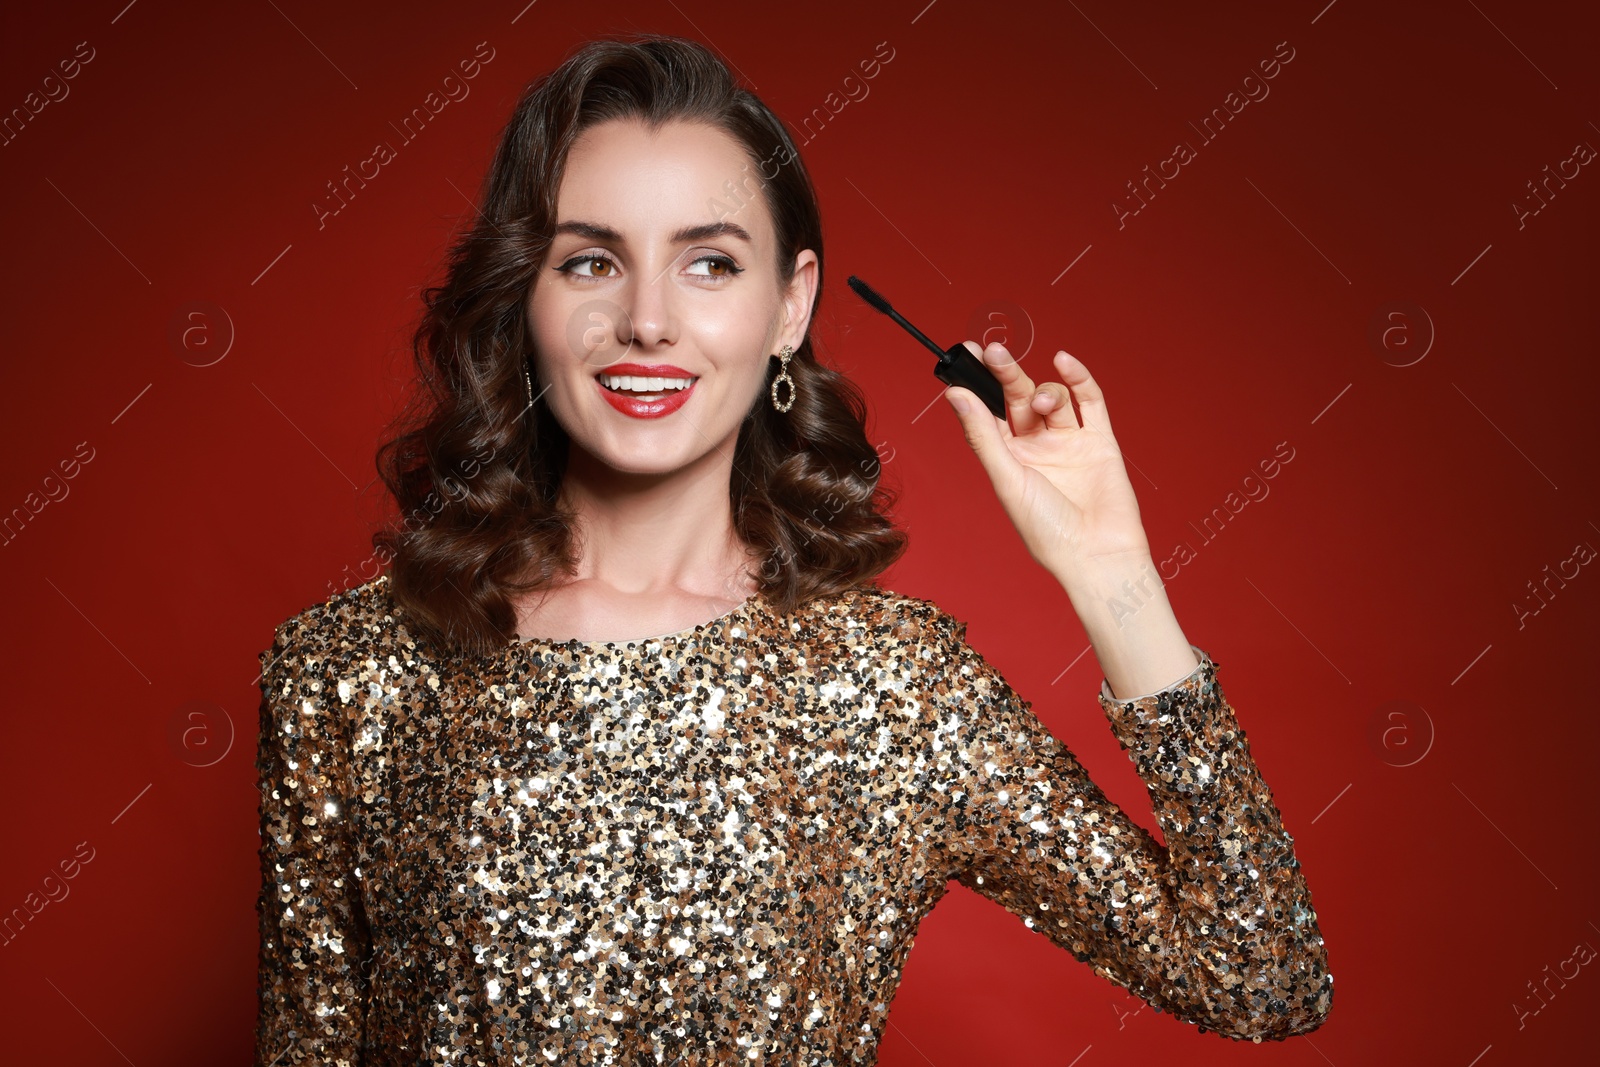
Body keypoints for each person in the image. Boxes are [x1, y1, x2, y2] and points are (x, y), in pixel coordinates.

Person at [253, 34, 1332, 1066]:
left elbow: (1258, 975)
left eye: (709, 264)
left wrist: (1113, 576)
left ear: (790, 304)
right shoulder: (346, 677)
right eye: (588, 262)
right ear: (521, 298)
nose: (647, 320)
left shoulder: (892, 688)